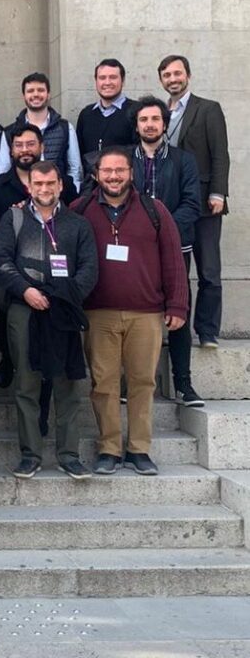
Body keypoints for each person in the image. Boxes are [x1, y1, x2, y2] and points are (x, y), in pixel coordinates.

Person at [72, 146, 188, 476]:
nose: (113, 176)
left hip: (146, 314)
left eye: (120, 170)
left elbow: (174, 261)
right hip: (98, 313)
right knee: (104, 384)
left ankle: (139, 448)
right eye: (107, 171)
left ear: (131, 173)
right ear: (97, 175)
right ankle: (109, 447)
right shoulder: (80, 209)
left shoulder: (155, 210)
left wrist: (177, 304)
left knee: (142, 382)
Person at [0, 161, 98, 479]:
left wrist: (64, 296)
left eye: (50, 183)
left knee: (67, 383)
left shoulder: (78, 225)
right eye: (38, 184)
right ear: (30, 187)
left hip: (64, 311)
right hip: (25, 309)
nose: (44, 189)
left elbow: (89, 269)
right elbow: (1, 260)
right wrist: (25, 291)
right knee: (27, 383)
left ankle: (69, 454)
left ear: (60, 185)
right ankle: (30, 454)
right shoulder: (14, 218)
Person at [129, 95, 203, 407]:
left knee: (178, 312)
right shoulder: (124, 160)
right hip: (132, 249)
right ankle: (126, 381)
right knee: (130, 315)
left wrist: (163, 229)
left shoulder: (184, 160)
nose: (149, 125)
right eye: (144, 120)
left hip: (174, 248)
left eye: (155, 119)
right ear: (136, 125)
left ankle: (184, 385)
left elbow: (192, 204)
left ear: (164, 123)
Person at [158, 54, 230, 347]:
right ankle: (179, 330)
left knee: (209, 269)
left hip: (203, 201)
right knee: (177, 271)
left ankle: (208, 330)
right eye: (167, 75)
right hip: (173, 203)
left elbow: (220, 154)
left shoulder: (208, 109)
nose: (173, 79)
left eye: (177, 74)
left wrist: (218, 193)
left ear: (188, 75)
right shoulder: (160, 112)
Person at [0, 73, 82, 191]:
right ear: (24, 96)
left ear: (48, 94)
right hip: (20, 200)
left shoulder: (65, 128)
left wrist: (72, 193)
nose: (36, 94)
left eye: (41, 90)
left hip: (58, 198)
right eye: (30, 91)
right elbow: (3, 171)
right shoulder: (9, 132)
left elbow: (75, 169)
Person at [75, 57, 136, 176]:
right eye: (102, 78)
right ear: (96, 81)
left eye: (113, 77)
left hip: (124, 185)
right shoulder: (86, 114)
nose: (107, 82)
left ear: (123, 81)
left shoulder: (136, 111)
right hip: (92, 187)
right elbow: (80, 154)